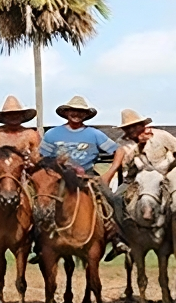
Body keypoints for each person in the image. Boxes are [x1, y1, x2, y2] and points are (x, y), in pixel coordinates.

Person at [39, 95, 127, 260]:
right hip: (59, 177)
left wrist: (110, 172)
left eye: (80, 112)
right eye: (73, 111)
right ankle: (40, 243)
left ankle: (117, 238)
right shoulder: (52, 134)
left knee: (112, 199)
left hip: (87, 176)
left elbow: (119, 151)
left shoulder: (94, 134)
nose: (76, 114)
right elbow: (41, 158)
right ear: (66, 112)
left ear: (86, 115)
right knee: (42, 203)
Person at [100, 109, 176, 241]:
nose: (131, 130)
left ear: (142, 125)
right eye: (127, 128)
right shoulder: (123, 143)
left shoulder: (160, 135)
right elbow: (125, 164)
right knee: (116, 200)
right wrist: (139, 145)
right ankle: (121, 237)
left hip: (163, 177)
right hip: (134, 180)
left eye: (134, 126)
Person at [0, 96, 41, 204]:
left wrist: (28, 164)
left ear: (22, 115)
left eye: (16, 114)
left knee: (40, 199)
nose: (13, 117)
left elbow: (38, 158)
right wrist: (0, 168)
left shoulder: (31, 135)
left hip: (25, 177)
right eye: (9, 114)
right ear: (4, 117)